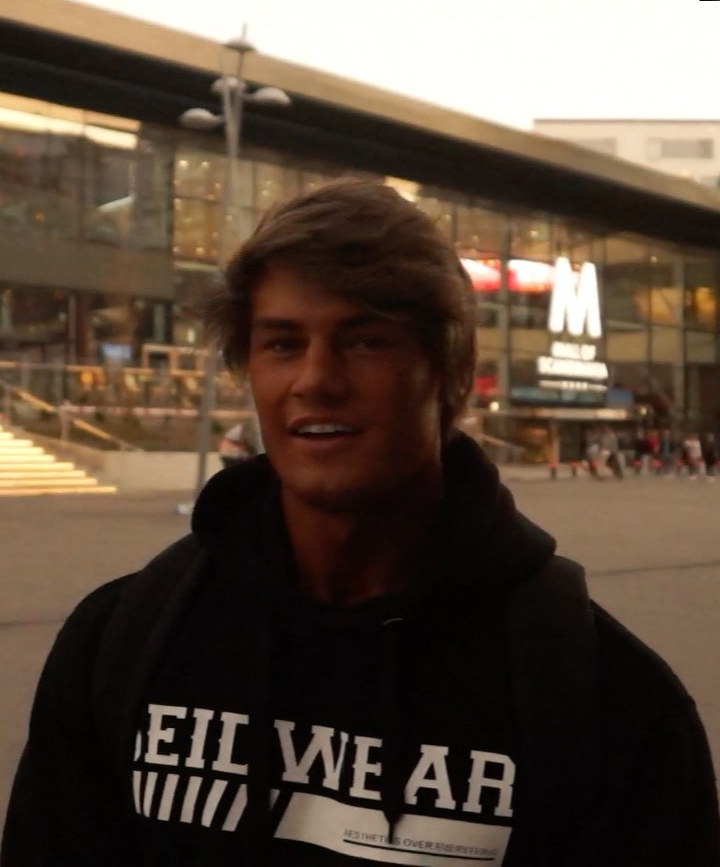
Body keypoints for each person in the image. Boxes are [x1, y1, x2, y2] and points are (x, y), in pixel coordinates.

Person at [3, 180, 718, 866]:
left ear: (451, 372)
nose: (315, 378)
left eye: (365, 340)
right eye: (282, 343)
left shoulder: (609, 702)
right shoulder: (124, 643)